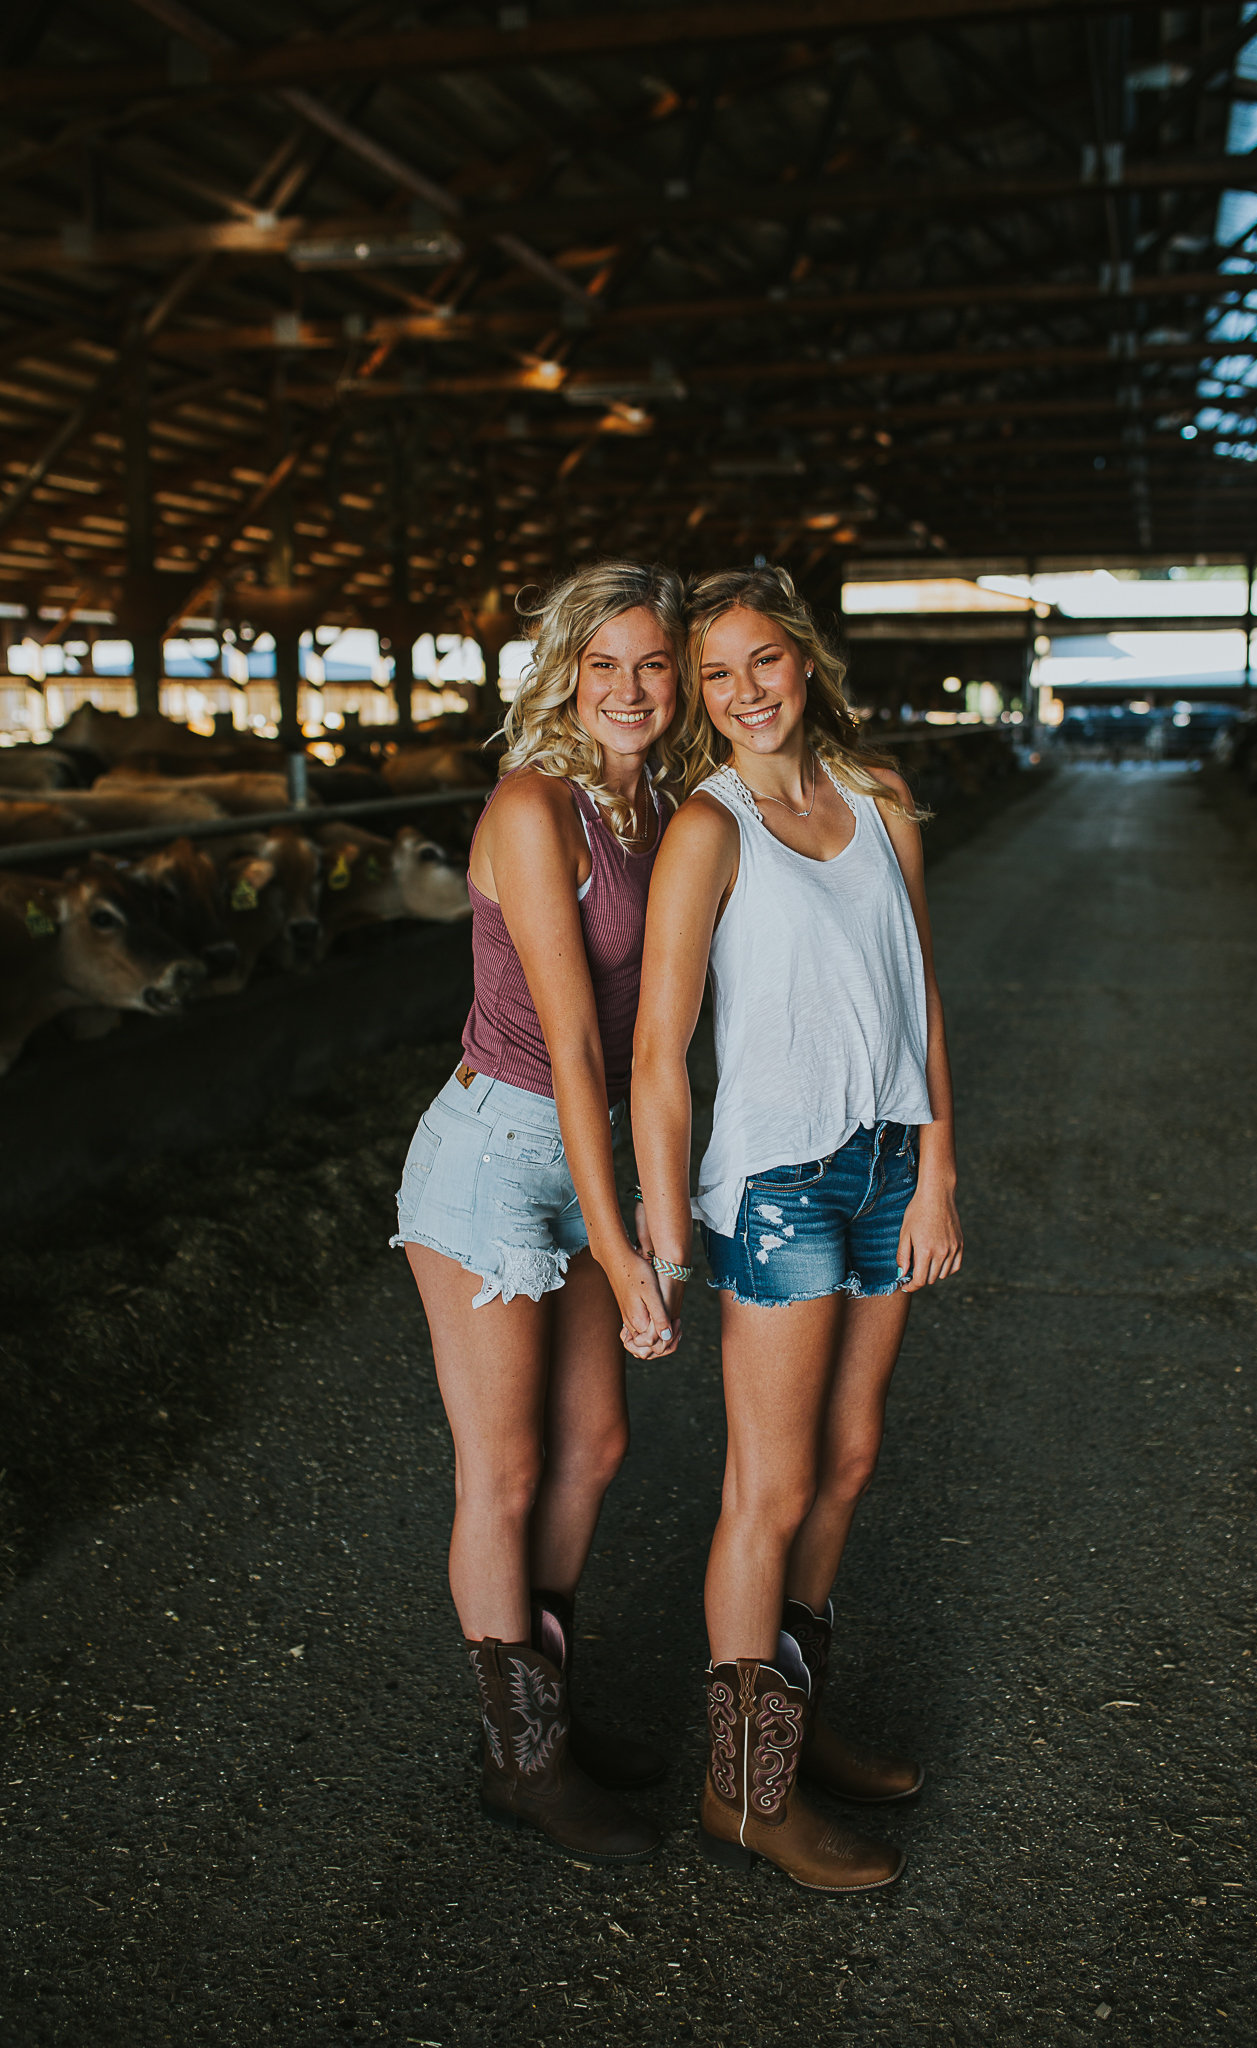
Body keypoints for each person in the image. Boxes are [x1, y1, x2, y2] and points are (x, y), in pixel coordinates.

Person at [631, 564, 963, 1894]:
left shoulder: (881, 800)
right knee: (766, 1486)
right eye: (712, 676)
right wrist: (661, 1234)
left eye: (759, 661)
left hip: (888, 1166)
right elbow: (659, 1052)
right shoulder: (708, 827)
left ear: (802, 660)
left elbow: (921, 993)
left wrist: (939, 1168)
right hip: (776, 1185)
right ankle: (744, 1792)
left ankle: (796, 1719)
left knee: (851, 1452)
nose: (741, 693)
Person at [391, 561, 682, 1865]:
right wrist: (627, 1251)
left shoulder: (658, 808)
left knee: (597, 1448)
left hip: (583, 1142)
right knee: (503, 1471)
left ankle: (542, 1710)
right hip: (498, 1150)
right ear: (566, 669)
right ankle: (523, 1761)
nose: (627, 688)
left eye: (652, 665)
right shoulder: (531, 806)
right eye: (603, 662)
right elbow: (571, 1041)